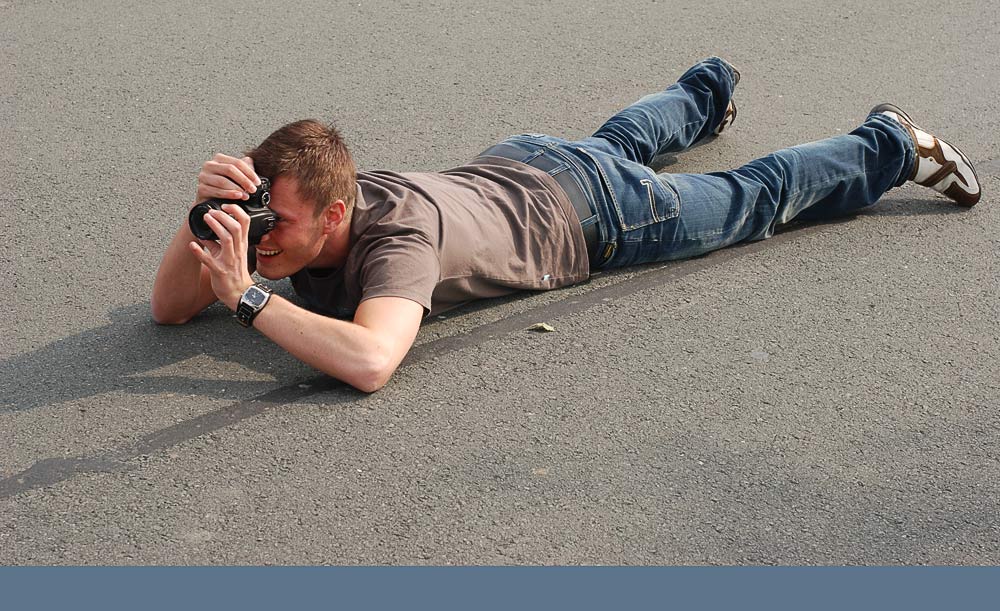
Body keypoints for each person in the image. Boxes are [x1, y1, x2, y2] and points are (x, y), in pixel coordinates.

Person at [150, 57, 981, 392]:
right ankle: (706, 88)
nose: (260, 240)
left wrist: (251, 299)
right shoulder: (313, 201)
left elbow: (371, 360)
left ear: (336, 213)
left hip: (593, 216)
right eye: (255, 210)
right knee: (616, 143)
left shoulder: (394, 243)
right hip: (522, 162)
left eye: (275, 223)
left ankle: (888, 145)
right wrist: (203, 224)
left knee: (749, 201)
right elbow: (169, 308)